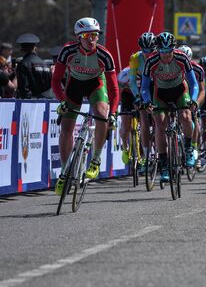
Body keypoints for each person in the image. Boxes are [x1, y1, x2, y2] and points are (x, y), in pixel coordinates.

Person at [52, 17, 119, 195]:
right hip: (74, 86)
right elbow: (56, 80)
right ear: (79, 37)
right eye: (88, 35)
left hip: (96, 85)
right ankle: (65, 173)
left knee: (101, 113)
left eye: (95, 35)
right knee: (66, 128)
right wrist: (62, 102)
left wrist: (112, 113)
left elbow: (113, 88)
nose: (92, 39)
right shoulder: (68, 51)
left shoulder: (104, 54)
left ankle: (95, 160)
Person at [141, 32, 199, 182]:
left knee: (186, 116)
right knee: (160, 125)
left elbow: (194, 84)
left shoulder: (181, 58)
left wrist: (193, 100)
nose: (166, 55)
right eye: (163, 51)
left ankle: (188, 148)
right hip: (160, 94)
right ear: (158, 50)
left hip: (180, 91)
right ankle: (164, 166)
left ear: (173, 49)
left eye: (169, 51)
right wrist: (147, 101)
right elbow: (145, 87)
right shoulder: (151, 61)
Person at [128, 32, 157, 168]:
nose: (147, 53)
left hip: (157, 86)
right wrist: (138, 98)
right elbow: (132, 81)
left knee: (159, 119)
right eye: (144, 50)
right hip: (143, 87)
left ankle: (162, 151)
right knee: (144, 120)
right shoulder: (135, 58)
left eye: (150, 50)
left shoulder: (159, 57)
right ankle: (145, 156)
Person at [15, 33, 52, 99]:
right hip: (46, 104)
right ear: (35, 47)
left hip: (30, 105)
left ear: (21, 49)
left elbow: (23, 88)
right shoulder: (45, 64)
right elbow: (50, 87)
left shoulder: (23, 64)